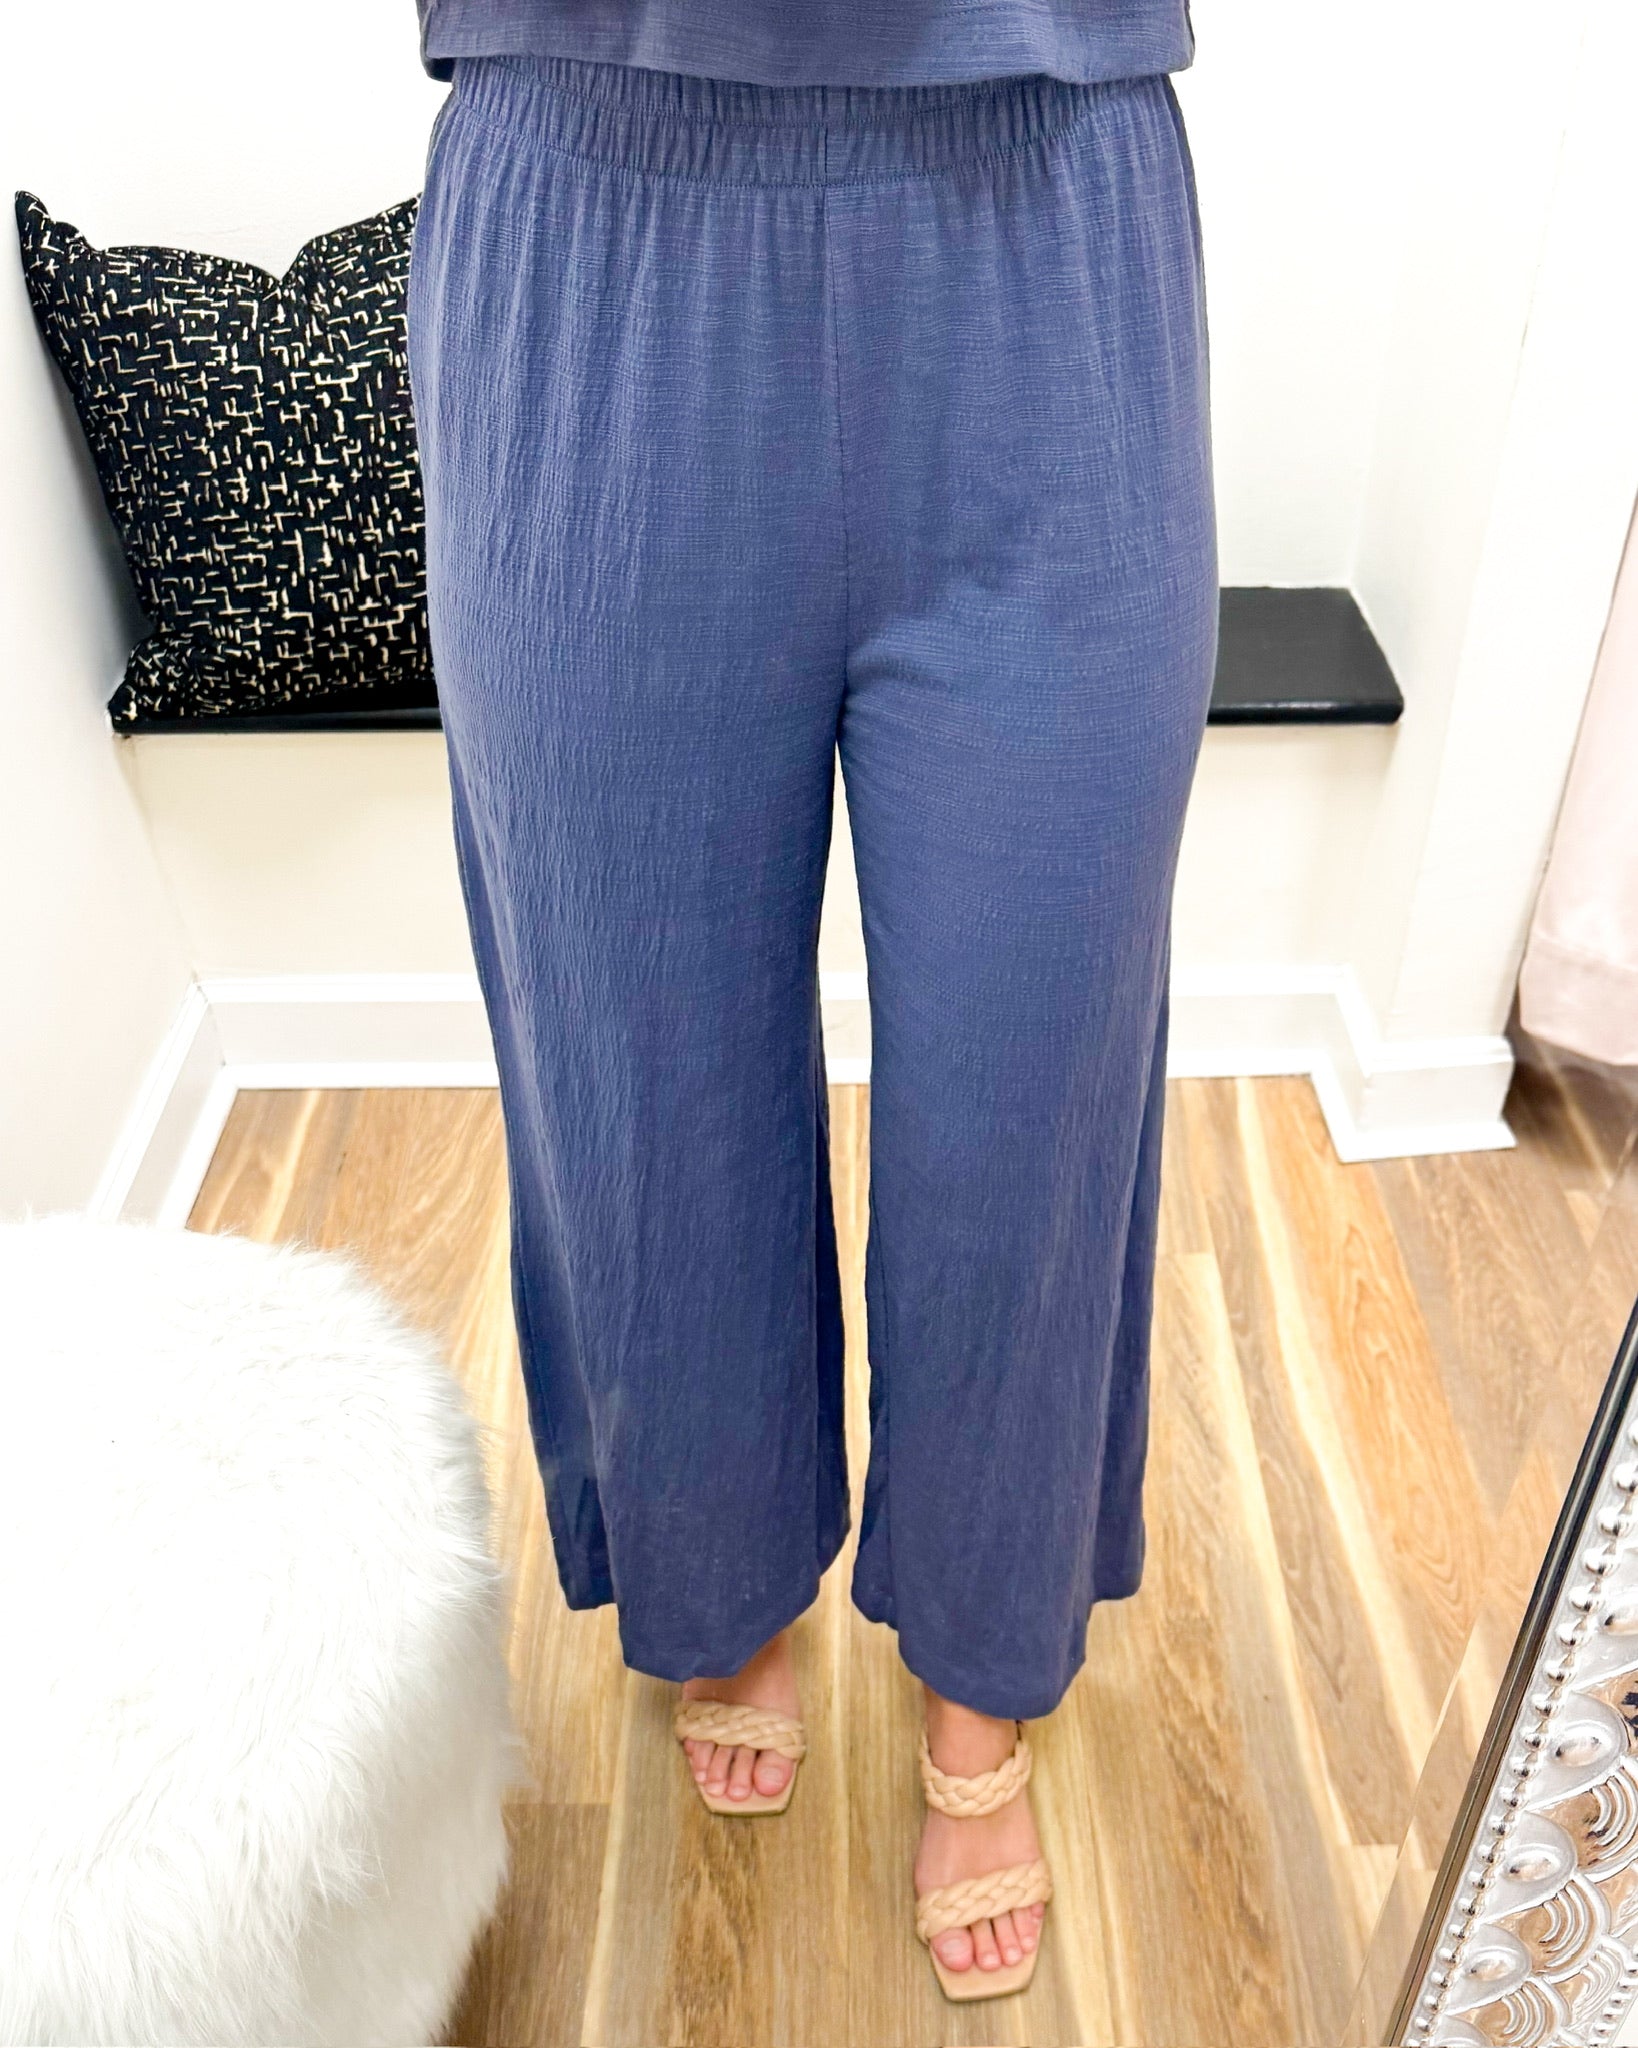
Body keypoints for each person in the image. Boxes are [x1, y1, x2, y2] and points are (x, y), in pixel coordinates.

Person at [406, 0, 1215, 2002]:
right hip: (597, 212)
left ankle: (982, 1668)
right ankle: (721, 1569)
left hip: (1039, 209)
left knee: (1031, 1087)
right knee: (635, 1070)